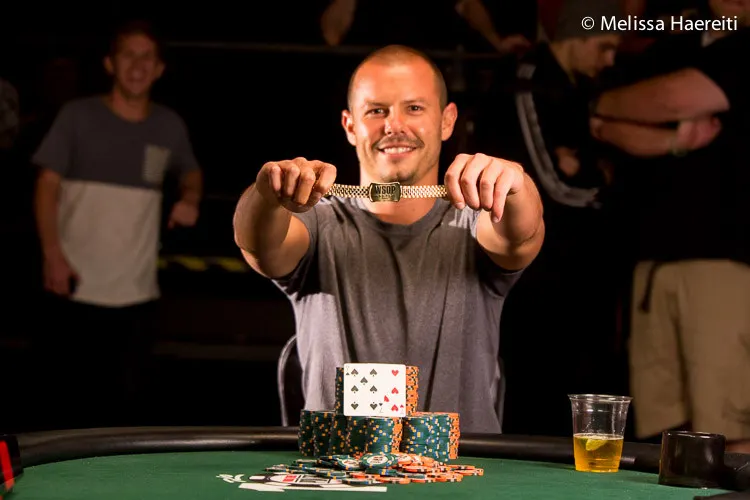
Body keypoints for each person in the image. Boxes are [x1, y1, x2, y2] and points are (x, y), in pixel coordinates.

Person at [233, 45, 545, 433]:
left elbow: (523, 234)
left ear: (447, 121)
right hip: (338, 469)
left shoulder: (476, 223)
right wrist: (268, 192)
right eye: (376, 111)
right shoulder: (318, 221)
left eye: (413, 108)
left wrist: (515, 182)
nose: (394, 125)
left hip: (466, 470)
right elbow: (257, 245)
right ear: (350, 126)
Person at [32, 20, 203, 427]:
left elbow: (191, 172)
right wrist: (52, 255)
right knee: (64, 410)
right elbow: (46, 187)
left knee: (126, 414)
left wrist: (190, 199)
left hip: (136, 296)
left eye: (147, 57)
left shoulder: (168, 125)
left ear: (159, 68)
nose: (137, 65)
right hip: (74, 289)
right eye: (128, 54)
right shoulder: (77, 116)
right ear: (110, 63)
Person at [590, 26, 750, 453]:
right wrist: (673, 138)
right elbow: (604, 128)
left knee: (730, 427)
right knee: (668, 433)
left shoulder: (742, 45)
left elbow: (677, 97)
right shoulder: (671, 42)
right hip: (651, 262)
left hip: (724, 262)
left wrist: (601, 102)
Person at [469, 0, 626, 435]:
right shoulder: (529, 79)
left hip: (572, 260)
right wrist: (602, 185)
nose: (609, 60)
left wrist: (586, 166)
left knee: (575, 374)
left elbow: (583, 167)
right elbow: (547, 177)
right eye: (605, 46)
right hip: (531, 263)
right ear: (577, 35)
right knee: (535, 374)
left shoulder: (577, 87)